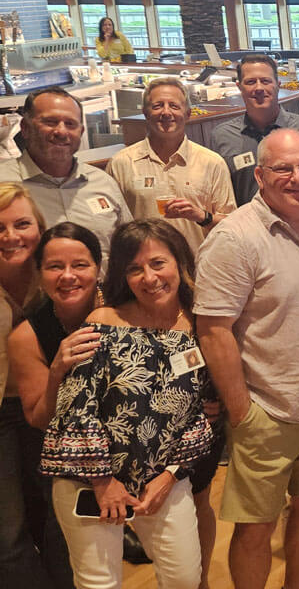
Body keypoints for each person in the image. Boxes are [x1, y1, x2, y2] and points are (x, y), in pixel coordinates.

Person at [195, 129, 299, 589]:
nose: (298, 178)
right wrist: (242, 411)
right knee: (255, 527)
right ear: (260, 176)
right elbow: (214, 329)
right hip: (267, 408)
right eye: (284, 168)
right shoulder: (235, 238)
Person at [40, 220, 215, 589]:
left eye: (157, 263)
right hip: (91, 480)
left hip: (165, 477)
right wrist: (104, 482)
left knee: (185, 579)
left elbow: (198, 415)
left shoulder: (199, 325)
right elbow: (74, 411)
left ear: (179, 262)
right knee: (99, 584)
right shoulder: (102, 324)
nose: (149, 278)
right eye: (134, 269)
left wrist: (169, 476)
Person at [0, 186, 70, 589]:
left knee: (58, 518)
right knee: (8, 531)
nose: (12, 236)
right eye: (1, 226)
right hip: (2, 418)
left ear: (39, 229)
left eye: (22, 224)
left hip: (48, 407)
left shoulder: (55, 277)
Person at [105, 77, 235, 256]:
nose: (166, 112)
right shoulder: (121, 163)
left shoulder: (212, 163)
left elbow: (231, 225)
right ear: (145, 112)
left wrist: (201, 216)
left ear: (188, 114)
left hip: (200, 271)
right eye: (158, 106)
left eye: (174, 106)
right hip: (145, 272)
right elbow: (112, 227)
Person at [0, 88, 132, 263]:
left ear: (81, 131)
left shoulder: (102, 182)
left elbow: (129, 248)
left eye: (70, 124)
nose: (61, 131)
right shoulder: (4, 185)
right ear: (25, 128)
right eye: (50, 122)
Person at [211, 54, 299, 206]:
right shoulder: (223, 136)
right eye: (250, 82)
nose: (259, 88)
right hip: (245, 226)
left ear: (278, 84)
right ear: (239, 87)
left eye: (265, 81)